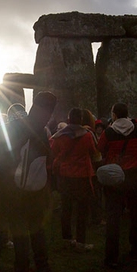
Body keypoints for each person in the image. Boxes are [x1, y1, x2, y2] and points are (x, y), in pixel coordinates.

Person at [0, 92, 57, 272]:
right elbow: (49, 156)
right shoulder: (42, 130)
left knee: (19, 230)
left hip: (14, 187)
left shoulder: (17, 125)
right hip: (37, 185)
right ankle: (42, 266)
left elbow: (2, 152)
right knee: (37, 228)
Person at [97, 103, 137, 268]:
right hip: (136, 174)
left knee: (113, 218)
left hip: (116, 176)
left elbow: (100, 148)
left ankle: (112, 257)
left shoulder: (109, 132)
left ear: (114, 115)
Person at [51, 107, 100, 251]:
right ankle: (80, 242)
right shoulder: (87, 135)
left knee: (66, 208)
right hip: (82, 176)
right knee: (82, 210)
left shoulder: (59, 136)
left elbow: (54, 152)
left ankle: (67, 238)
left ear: (68, 119)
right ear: (81, 120)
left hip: (65, 175)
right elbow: (93, 152)